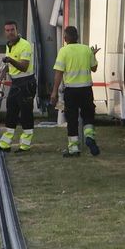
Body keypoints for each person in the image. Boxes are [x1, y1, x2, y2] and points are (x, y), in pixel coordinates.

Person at [52, 26, 100, 158]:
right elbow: (94, 68)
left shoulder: (63, 51)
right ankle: (89, 137)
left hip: (71, 91)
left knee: (72, 119)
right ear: (77, 37)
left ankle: (73, 149)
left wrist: (54, 92)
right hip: (86, 89)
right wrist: (93, 55)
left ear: (66, 38)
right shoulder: (86, 49)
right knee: (88, 115)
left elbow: (59, 73)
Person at [0, 20, 36, 152]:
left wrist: (11, 61)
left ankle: (25, 145)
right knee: (11, 113)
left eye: (12, 30)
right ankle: (5, 144)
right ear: (4, 32)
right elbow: (9, 64)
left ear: (17, 30)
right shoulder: (8, 45)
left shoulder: (25, 45)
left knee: (26, 115)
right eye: (7, 30)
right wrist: (4, 71)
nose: (10, 33)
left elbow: (24, 67)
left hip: (26, 83)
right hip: (15, 83)